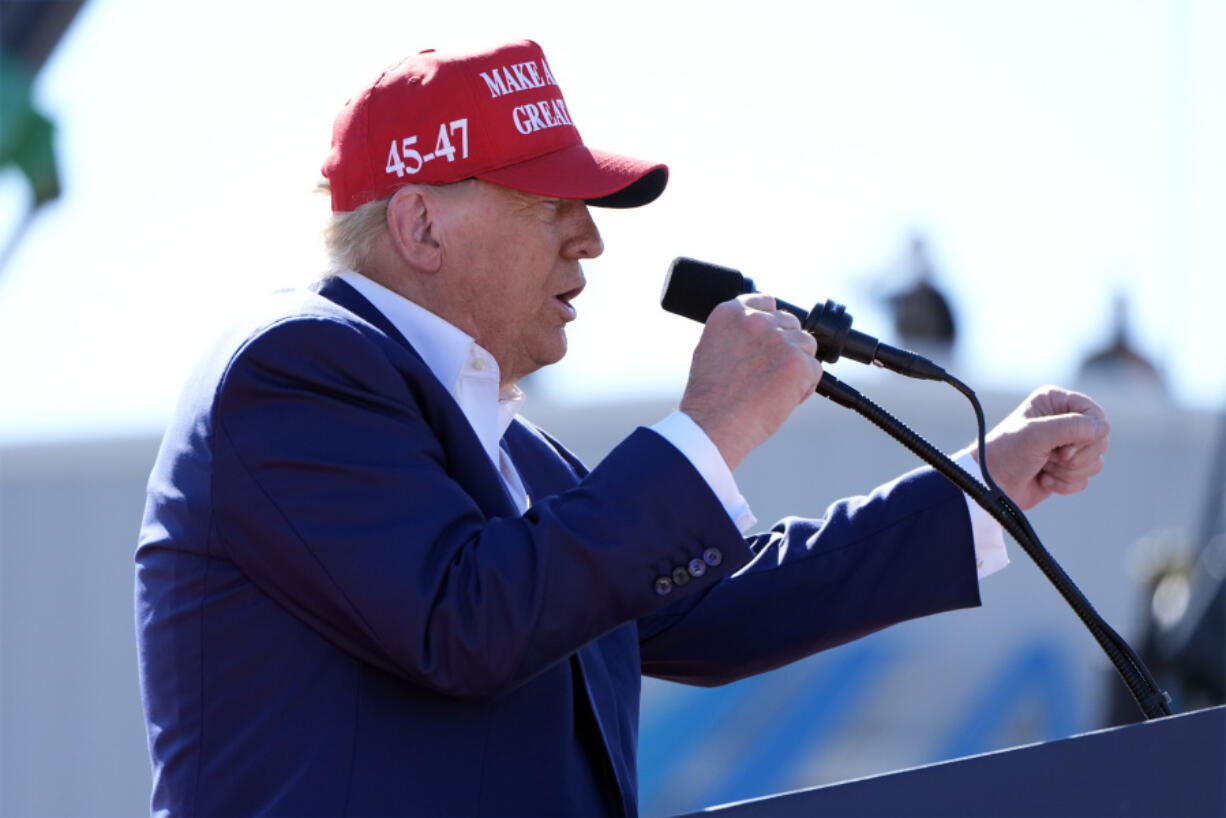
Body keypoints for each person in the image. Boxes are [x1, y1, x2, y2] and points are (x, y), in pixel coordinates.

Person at [134, 39, 1110, 817]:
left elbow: (703, 604)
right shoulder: (295, 369)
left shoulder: (512, 451)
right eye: (548, 203)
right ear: (421, 226)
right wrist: (708, 427)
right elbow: (461, 617)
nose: (591, 236)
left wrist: (977, 486)